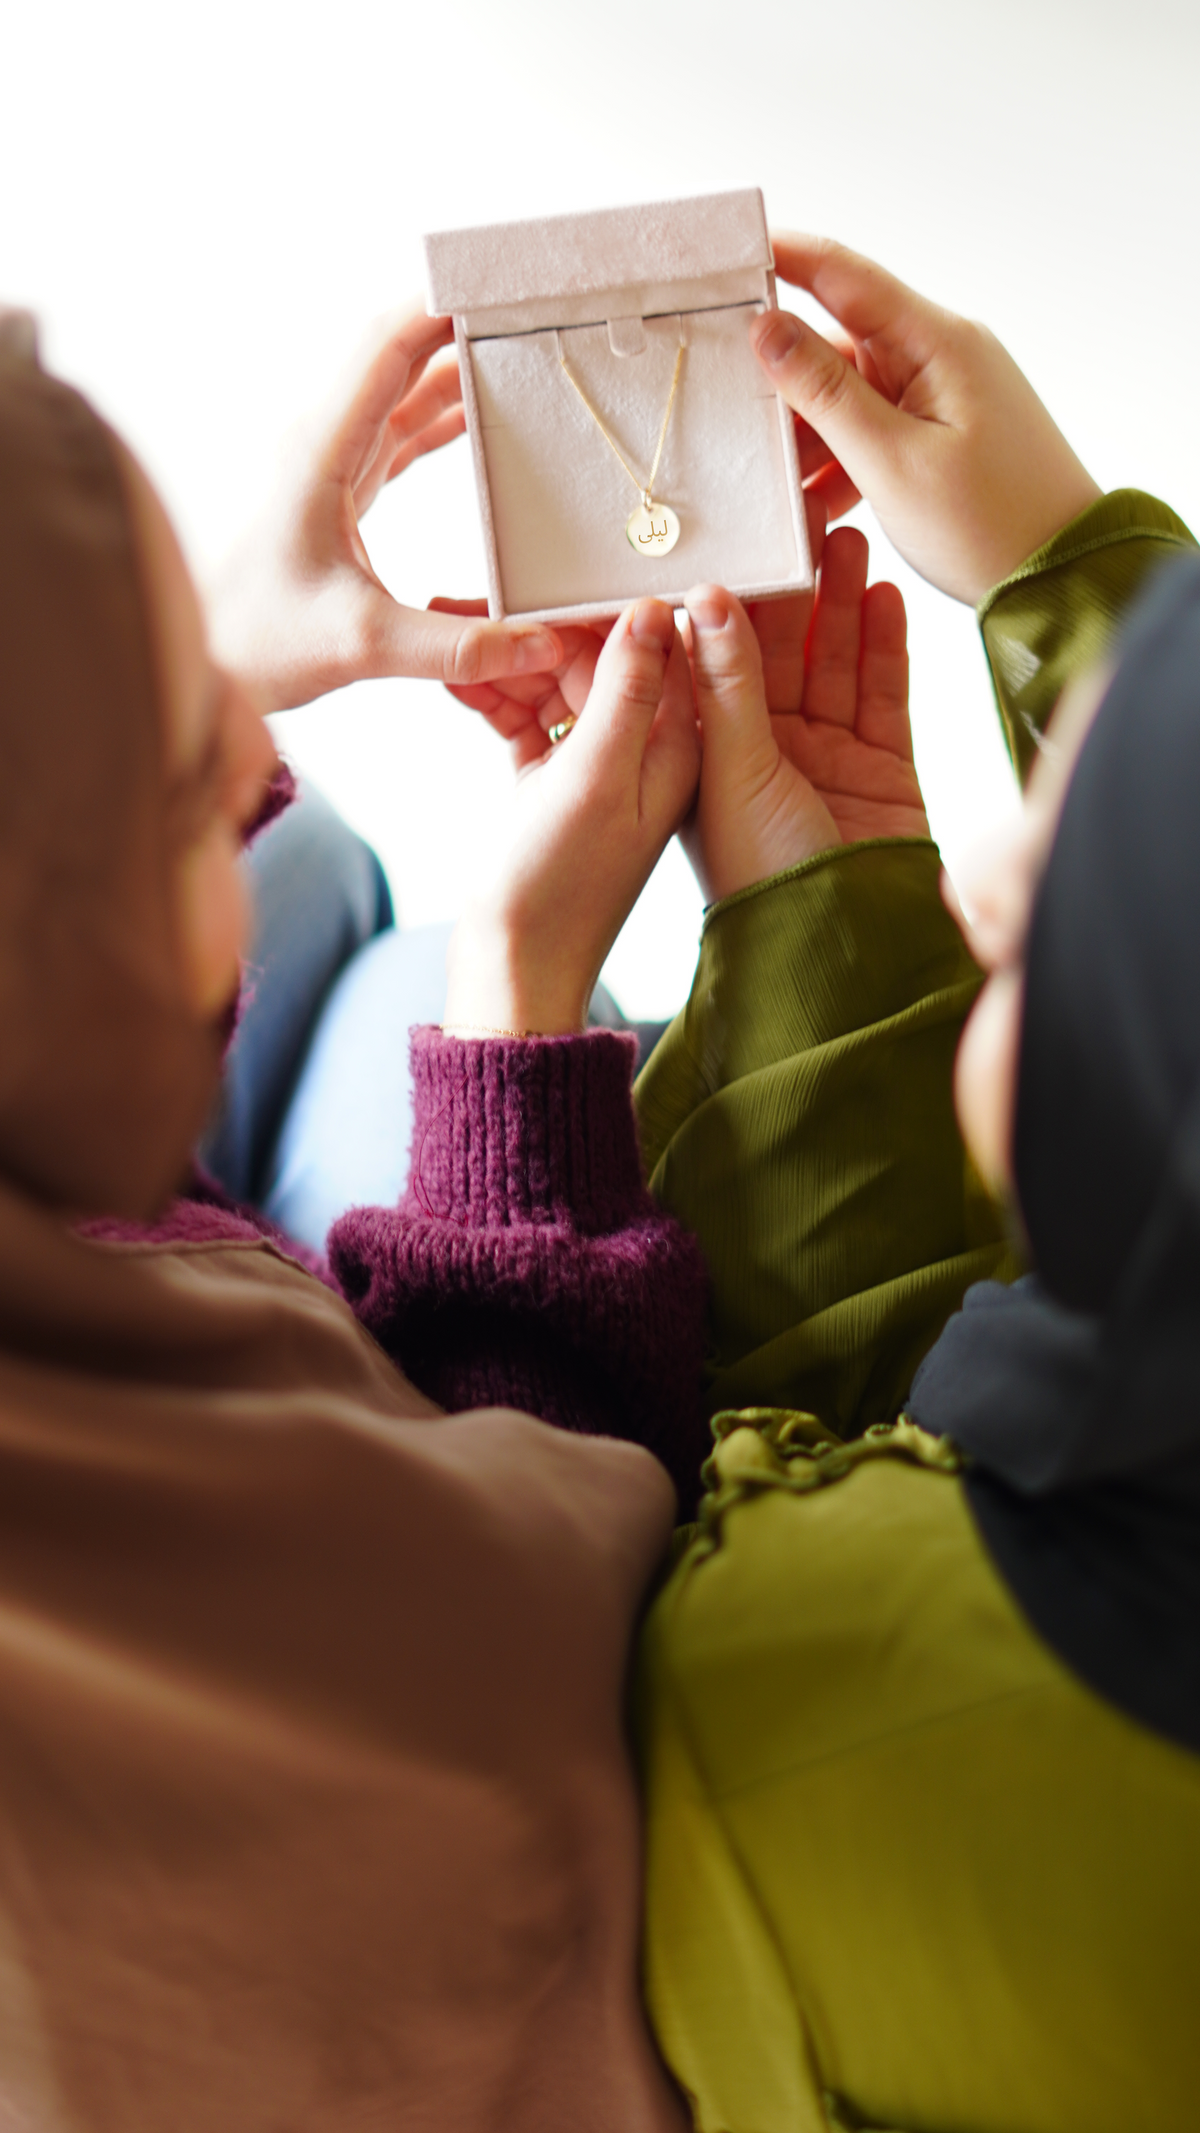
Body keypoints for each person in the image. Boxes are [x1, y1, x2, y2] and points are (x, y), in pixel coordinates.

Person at [0, 302, 729, 2130]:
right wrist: (522, 1000)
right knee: (365, 918)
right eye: (189, 793)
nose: (247, 786)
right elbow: (556, 1501)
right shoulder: (350, 1593)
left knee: (318, 873)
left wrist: (193, 667)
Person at [620, 241, 1200, 2131]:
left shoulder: (789, 1697)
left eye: (1024, 940)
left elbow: (826, 1473)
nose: (976, 883)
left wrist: (529, 1004)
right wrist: (1070, 574)